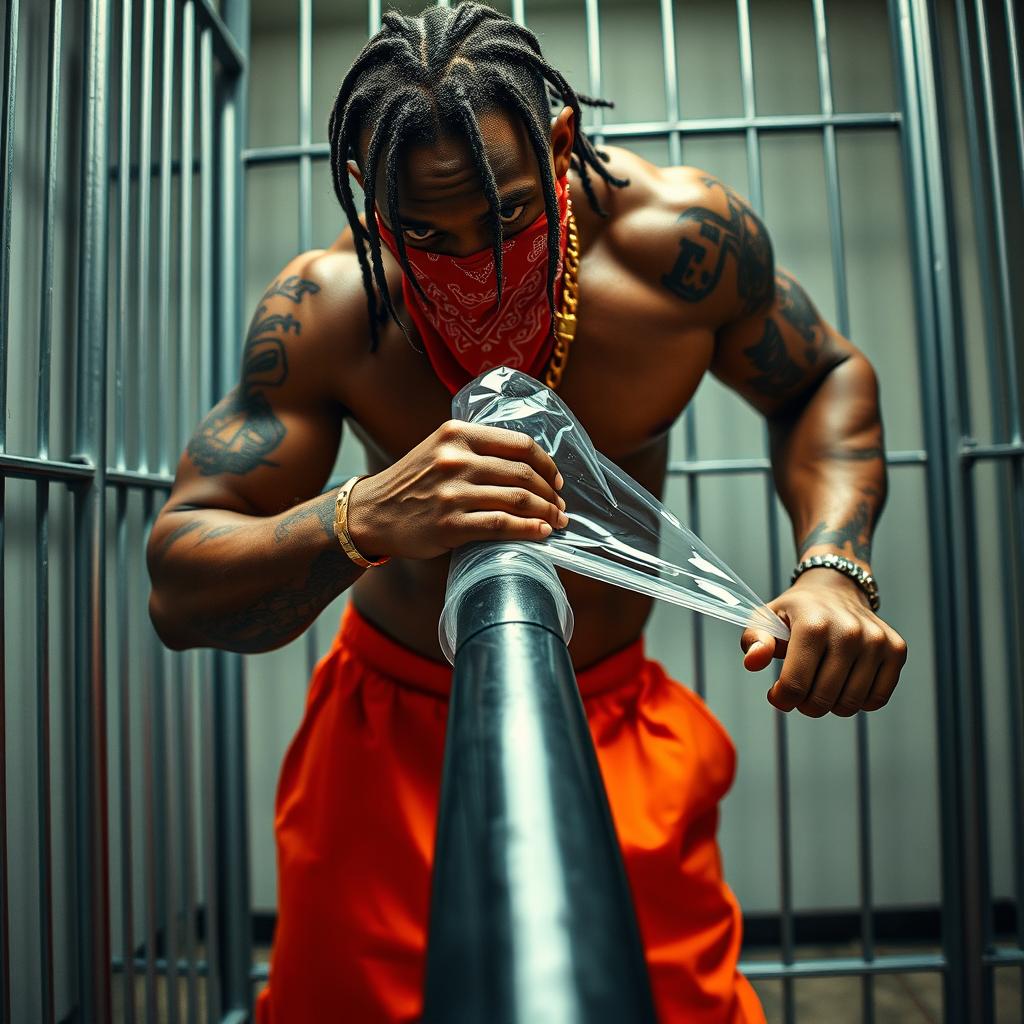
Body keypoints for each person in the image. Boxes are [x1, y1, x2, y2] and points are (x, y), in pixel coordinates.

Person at [146, 4, 908, 1021]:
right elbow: (177, 581)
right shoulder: (333, 310)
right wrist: (359, 513)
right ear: (374, 205)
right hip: (389, 743)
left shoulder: (676, 247)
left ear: (558, 145)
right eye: (426, 234)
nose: (478, 265)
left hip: (616, 727)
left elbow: (820, 377)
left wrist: (831, 564)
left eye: (507, 217)